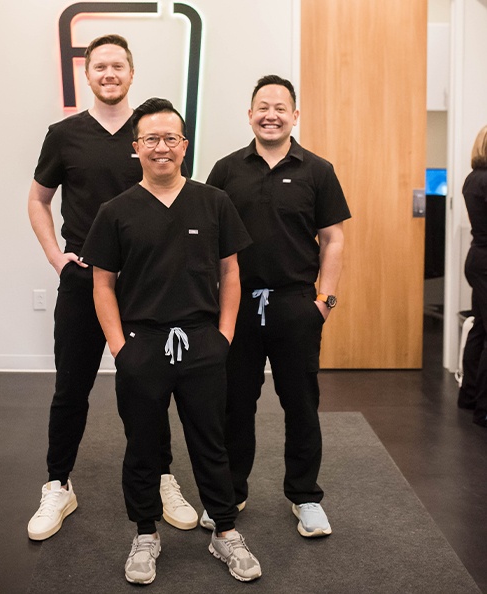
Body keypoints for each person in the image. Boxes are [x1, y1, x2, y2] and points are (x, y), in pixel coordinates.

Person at [80, 98, 262, 585]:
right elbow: (102, 283)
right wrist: (121, 347)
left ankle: (225, 531)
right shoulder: (115, 211)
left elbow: (231, 273)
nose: (162, 148)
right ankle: (145, 534)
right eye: (151, 140)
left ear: (184, 145)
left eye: (171, 139)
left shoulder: (213, 202)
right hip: (142, 345)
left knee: (212, 444)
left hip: (203, 343)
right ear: (136, 147)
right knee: (142, 446)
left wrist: (223, 336)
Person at [26, 35, 196, 541]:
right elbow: (38, 200)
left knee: (148, 388)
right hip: (84, 280)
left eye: (117, 65)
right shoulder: (64, 134)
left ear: (131, 72)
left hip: (145, 286)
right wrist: (58, 259)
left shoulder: (152, 133)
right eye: (99, 66)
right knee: (70, 388)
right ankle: (58, 483)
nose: (108, 73)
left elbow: (177, 196)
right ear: (87, 74)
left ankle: (162, 477)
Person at [202, 75, 351, 538]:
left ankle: (305, 497)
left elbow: (333, 238)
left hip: (295, 305)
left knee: (301, 405)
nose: (271, 114)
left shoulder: (317, 171)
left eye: (280, 107)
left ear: (295, 115)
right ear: (249, 115)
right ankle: (230, 492)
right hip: (237, 306)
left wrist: (323, 300)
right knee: (234, 405)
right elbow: (208, 240)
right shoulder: (226, 171)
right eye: (262, 106)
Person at [458, 125, 487, 428]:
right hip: (485, 261)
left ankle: (468, 396)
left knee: (480, 328)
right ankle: (484, 408)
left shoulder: (472, 179)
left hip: (477, 258)